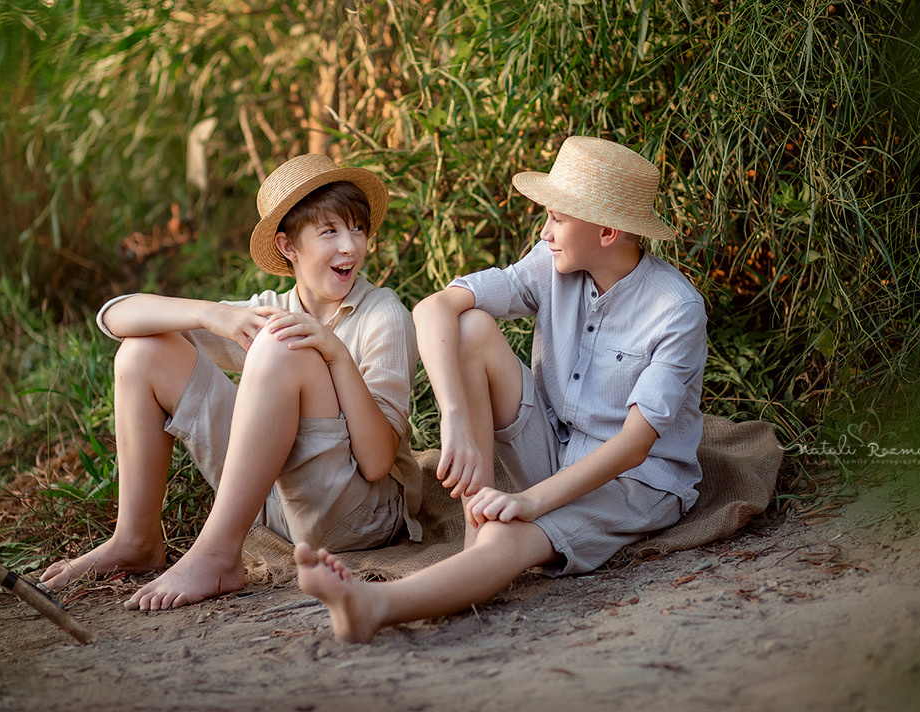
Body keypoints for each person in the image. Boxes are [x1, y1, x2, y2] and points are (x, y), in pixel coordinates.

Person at [295, 136, 707, 642]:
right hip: (557, 448)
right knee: (470, 327)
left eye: (558, 218)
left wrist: (532, 501)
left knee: (509, 536)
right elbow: (435, 307)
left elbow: (634, 445)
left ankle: (374, 605)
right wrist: (455, 417)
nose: (545, 230)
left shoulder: (675, 311)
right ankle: (475, 537)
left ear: (607, 230)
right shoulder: (552, 263)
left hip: (635, 481)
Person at [40, 153, 422, 611]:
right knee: (143, 353)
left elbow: (379, 461)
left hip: (359, 516)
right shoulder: (266, 308)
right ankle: (136, 540)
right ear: (288, 246)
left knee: (282, 343)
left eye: (358, 229)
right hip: (276, 507)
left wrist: (335, 354)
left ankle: (219, 554)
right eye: (330, 232)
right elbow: (116, 316)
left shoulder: (384, 314)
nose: (350, 247)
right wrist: (212, 314)